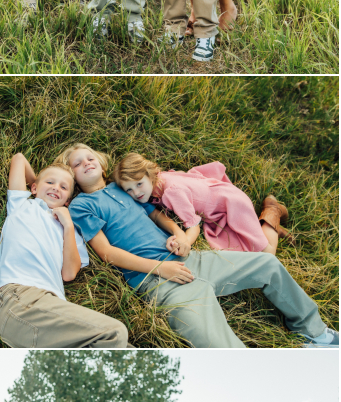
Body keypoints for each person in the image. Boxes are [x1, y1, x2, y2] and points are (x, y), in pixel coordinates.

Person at [59, 144, 339, 348]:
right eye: (76, 163)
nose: (85, 163)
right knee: (219, 347)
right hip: (157, 281)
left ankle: (314, 332)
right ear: (71, 177)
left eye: (89, 156)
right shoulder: (83, 205)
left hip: (191, 260)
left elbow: (156, 215)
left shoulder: (123, 187)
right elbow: (107, 253)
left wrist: (178, 234)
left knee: (267, 263)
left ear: (102, 163)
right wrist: (161, 269)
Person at [0, 153, 127, 349]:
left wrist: (69, 226)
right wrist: (35, 182)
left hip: (52, 308)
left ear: (68, 202)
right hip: (20, 300)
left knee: (126, 349)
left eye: (64, 187)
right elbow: (19, 159)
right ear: (34, 188)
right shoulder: (22, 205)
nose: (56, 187)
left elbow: (69, 273)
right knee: (114, 333)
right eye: (50, 182)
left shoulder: (70, 232)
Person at [112, 154, 290, 256]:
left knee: (267, 255)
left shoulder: (171, 193)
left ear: (150, 175)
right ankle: (271, 227)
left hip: (232, 204)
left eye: (139, 184)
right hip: (218, 204)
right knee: (244, 244)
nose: (136, 193)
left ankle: (272, 210)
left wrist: (186, 242)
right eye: (128, 190)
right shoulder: (158, 182)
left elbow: (194, 224)